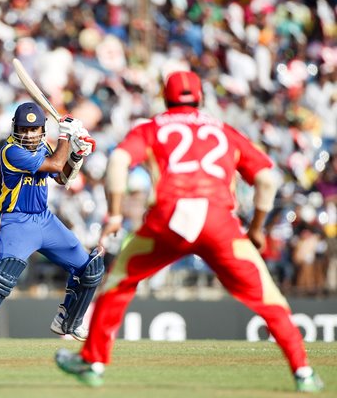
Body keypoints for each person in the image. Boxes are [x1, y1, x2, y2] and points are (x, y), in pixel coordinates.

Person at [55, 71, 324, 393]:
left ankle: (93, 362)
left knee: (119, 283)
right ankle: (303, 373)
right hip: (218, 221)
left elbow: (118, 162)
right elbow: (267, 178)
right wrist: (256, 229)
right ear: (200, 98)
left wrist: (114, 213)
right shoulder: (223, 130)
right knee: (269, 299)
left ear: (165, 98)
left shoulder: (152, 127)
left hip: (169, 217)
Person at [0, 102, 104, 347]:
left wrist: (77, 153)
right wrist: (66, 135)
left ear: (41, 129)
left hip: (44, 218)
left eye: (34, 129)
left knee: (89, 268)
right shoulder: (11, 151)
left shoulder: (43, 146)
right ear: (15, 128)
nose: (29, 134)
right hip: (16, 220)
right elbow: (52, 165)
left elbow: (61, 176)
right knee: (3, 276)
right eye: (24, 129)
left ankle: (68, 320)